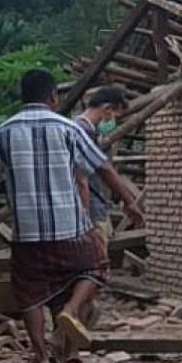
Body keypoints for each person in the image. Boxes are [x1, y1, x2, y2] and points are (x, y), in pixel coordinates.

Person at [0, 69, 145, 363]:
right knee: (94, 270)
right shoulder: (69, 129)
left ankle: (40, 354)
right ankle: (70, 310)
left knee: (30, 294)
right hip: (70, 227)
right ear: (53, 96)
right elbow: (102, 167)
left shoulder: (3, 133)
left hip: (27, 233)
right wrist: (129, 200)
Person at [74, 86, 128, 245]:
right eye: (114, 117)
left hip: (90, 208)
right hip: (91, 210)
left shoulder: (78, 129)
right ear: (107, 109)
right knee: (98, 262)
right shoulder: (83, 132)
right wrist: (85, 219)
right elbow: (82, 180)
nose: (112, 122)